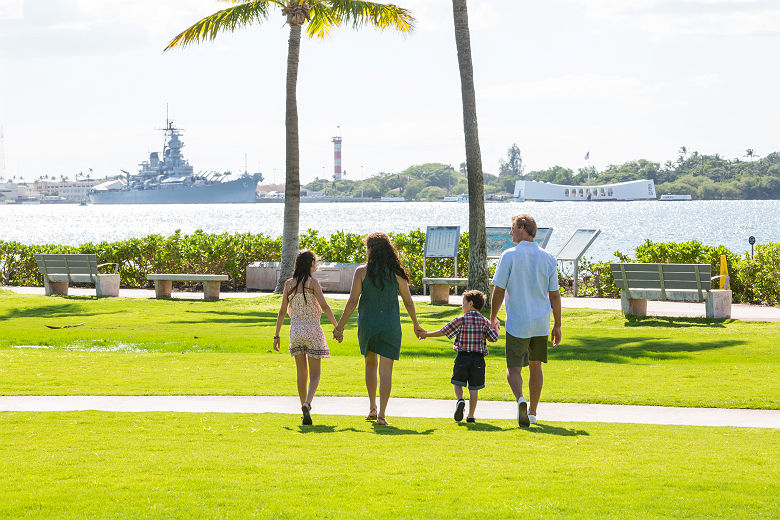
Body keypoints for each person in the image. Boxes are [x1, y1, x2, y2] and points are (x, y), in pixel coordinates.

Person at [333, 232, 425, 426]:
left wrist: (339, 327)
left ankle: (372, 407)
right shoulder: (397, 273)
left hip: (368, 324)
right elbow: (408, 302)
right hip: (390, 325)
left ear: (371, 250)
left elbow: (352, 302)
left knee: (370, 364)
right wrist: (416, 324)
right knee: (386, 371)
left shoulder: (361, 272)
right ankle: (382, 414)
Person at [489, 214, 561, 427]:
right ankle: (532, 412)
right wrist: (557, 324)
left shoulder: (509, 256)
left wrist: (492, 318)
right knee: (536, 365)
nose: (510, 232)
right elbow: (555, 294)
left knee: (513, 368)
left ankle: (520, 399)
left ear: (522, 228)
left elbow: (499, 290)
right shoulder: (548, 258)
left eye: (512, 228)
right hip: (540, 322)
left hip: (517, 322)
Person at [273, 250, 338, 426]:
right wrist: (336, 326)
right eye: (314, 263)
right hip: (313, 330)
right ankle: (307, 404)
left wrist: (276, 335)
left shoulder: (288, 285)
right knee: (315, 374)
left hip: (296, 331)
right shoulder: (313, 283)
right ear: (310, 265)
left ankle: (303, 408)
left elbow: (281, 312)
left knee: (301, 373)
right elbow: (324, 306)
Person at [419, 290, 499, 423]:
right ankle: (471, 416)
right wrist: (495, 327)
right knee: (474, 388)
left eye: (463, 303)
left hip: (462, 357)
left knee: (457, 382)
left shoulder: (461, 320)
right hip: (478, 359)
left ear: (471, 304)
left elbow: (444, 331)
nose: (462, 306)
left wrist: (426, 334)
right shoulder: (484, 322)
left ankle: (460, 400)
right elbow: (493, 338)